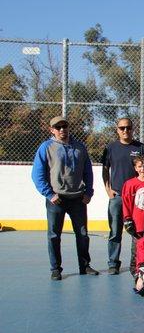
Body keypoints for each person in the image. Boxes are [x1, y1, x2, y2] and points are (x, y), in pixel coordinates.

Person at [32, 116, 98, 280]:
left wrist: (88, 192)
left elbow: (88, 172)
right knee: (54, 235)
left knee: (82, 234)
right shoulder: (46, 148)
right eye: (58, 127)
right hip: (56, 199)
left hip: (78, 199)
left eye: (65, 126)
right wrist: (49, 194)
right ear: (52, 130)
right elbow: (37, 175)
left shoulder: (79, 147)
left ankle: (85, 265)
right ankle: (55, 269)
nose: (62, 129)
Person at [101, 117, 144, 274]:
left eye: (128, 127)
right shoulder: (111, 148)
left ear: (133, 129)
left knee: (140, 230)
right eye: (122, 128)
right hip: (118, 196)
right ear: (117, 130)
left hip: (139, 197)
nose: (125, 130)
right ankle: (113, 263)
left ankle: (142, 261)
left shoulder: (141, 147)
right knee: (115, 231)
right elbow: (105, 169)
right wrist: (108, 189)